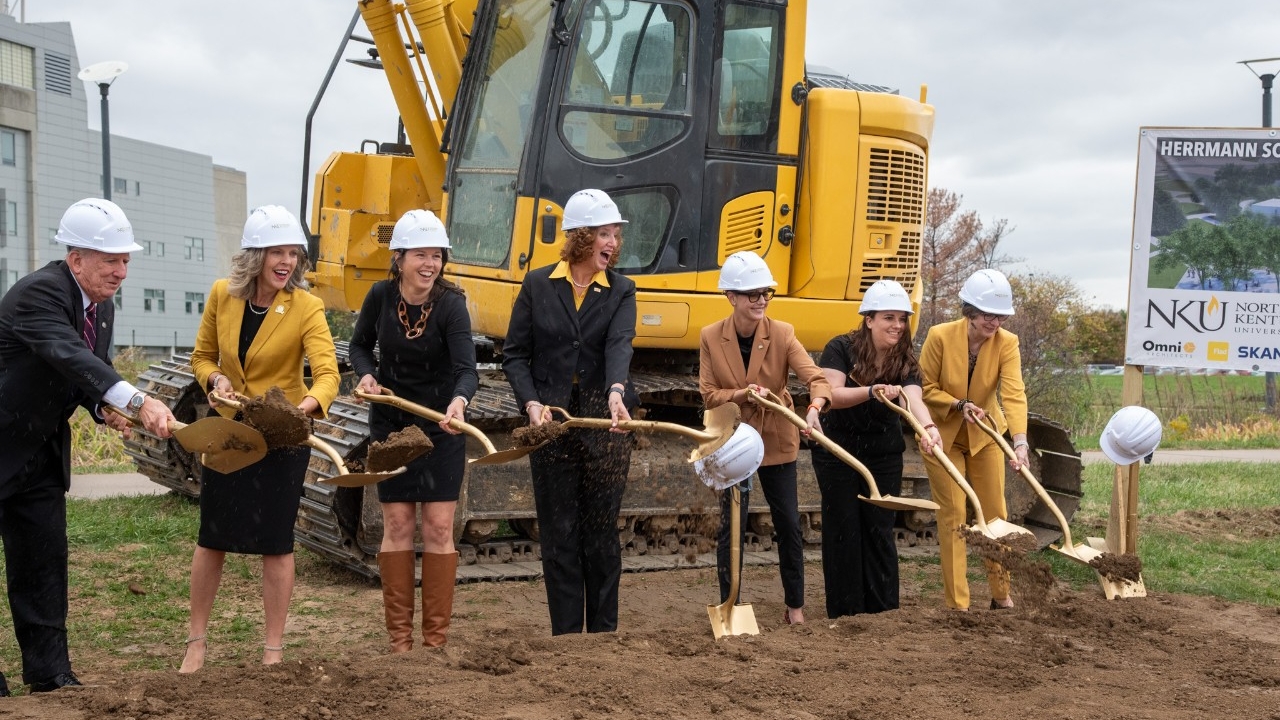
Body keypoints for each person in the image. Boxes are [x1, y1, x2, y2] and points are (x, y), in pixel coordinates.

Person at [0, 198, 175, 693]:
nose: (121, 270)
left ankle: (49, 673)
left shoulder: (100, 305)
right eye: (111, 259)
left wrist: (105, 408)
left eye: (126, 259)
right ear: (76, 259)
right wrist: (139, 400)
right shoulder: (39, 294)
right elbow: (67, 353)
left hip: (37, 452)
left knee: (42, 564)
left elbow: (79, 377)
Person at [180, 205, 340, 672]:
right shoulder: (221, 296)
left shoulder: (307, 306)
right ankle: (196, 642)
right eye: (277, 251)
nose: (287, 261)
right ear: (255, 256)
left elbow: (327, 376)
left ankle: (272, 649)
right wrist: (214, 383)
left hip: (280, 438)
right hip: (228, 435)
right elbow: (202, 357)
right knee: (212, 538)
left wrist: (298, 411)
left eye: (293, 253)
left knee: (276, 542)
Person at [502, 189, 637, 635]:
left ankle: (603, 637)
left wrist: (617, 391)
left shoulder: (621, 290)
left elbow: (619, 344)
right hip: (551, 425)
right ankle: (565, 639)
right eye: (605, 233)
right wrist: (532, 402)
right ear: (581, 238)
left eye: (616, 234)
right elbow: (515, 355)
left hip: (606, 421)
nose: (613, 243)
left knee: (600, 533)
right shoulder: (538, 285)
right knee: (558, 534)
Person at [350, 209, 478, 651]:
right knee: (398, 522)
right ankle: (400, 643)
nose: (430, 263)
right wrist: (366, 375)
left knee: (440, 527)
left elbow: (467, 370)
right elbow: (360, 346)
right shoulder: (381, 296)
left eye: (437, 255)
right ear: (399, 257)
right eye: (420, 254)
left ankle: (435, 642)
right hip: (391, 425)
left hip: (442, 425)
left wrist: (458, 403)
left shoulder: (451, 304)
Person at [698, 251, 832, 626]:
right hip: (733, 443)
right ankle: (731, 607)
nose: (760, 300)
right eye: (751, 293)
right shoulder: (711, 336)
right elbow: (709, 395)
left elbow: (816, 379)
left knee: (788, 522)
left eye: (765, 293)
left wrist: (815, 407)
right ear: (732, 297)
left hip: (776, 439)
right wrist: (742, 395)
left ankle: (795, 607)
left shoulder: (783, 333)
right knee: (733, 528)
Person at [811, 280, 938, 619]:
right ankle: (846, 612)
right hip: (837, 450)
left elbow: (914, 400)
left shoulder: (906, 360)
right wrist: (871, 391)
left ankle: (883, 612)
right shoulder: (839, 348)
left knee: (879, 528)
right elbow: (833, 396)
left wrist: (928, 428)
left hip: (883, 453)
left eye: (901, 318)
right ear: (869, 319)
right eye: (888, 317)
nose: (897, 325)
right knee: (843, 529)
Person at [919, 269, 1028, 611]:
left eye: (1000, 316)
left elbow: (1013, 393)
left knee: (995, 514)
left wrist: (1020, 441)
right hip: (943, 436)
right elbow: (923, 389)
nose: (994, 322)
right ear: (970, 311)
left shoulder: (1007, 343)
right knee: (954, 516)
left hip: (986, 435)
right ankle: (958, 605)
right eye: (987, 315)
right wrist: (957, 404)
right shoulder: (939, 336)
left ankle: (1001, 594)